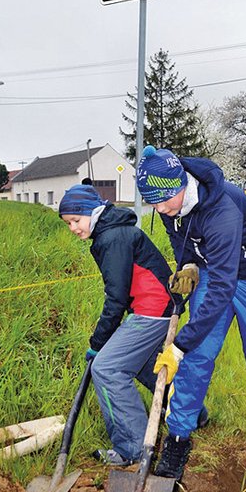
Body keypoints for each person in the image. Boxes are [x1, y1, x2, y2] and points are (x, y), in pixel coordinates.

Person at [135, 145, 246, 482]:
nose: (159, 209)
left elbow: (223, 286)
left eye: (163, 201)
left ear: (180, 185)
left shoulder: (222, 209)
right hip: (212, 271)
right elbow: (182, 240)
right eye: (153, 203)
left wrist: (178, 344)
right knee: (197, 358)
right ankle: (178, 436)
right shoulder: (166, 202)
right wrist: (188, 264)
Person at [58, 183, 205, 466]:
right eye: (68, 224)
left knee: (107, 368)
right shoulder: (111, 234)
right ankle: (192, 412)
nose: (73, 228)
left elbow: (115, 296)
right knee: (142, 365)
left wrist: (98, 344)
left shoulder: (113, 238)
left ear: (94, 212)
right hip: (157, 308)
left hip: (152, 311)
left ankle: (131, 447)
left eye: (76, 220)